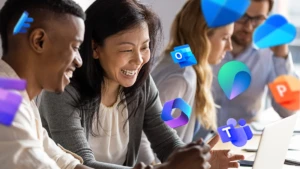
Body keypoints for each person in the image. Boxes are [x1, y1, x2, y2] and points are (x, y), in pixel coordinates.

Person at [37, 0, 243, 169]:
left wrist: (200, 161)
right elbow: (83, 165)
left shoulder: (140, 85)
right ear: (95, 48)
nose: (139, 60)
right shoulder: (61, 91)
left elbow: (166, 142)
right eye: (127, 49)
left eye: (145, 47)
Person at [0, 0, 93, 168]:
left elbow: (60, 160)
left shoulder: (19, 98)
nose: (79, 62)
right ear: (39, 41)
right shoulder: (5, 101)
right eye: (75, 47)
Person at [149, 0, 242, 165]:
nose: (229, 47)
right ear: (203, 36)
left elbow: (175, 135)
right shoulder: (180, 79)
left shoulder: (181, 59)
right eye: (224, 38)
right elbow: (151, 148)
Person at [210, 0, 298, 127]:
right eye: (242, 17)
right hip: (197, 141)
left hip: (242, 141)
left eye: (258, 19)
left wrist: (281, 56)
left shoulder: (270, 53)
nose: (248, 27)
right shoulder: (202, 44)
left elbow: (288, 111)